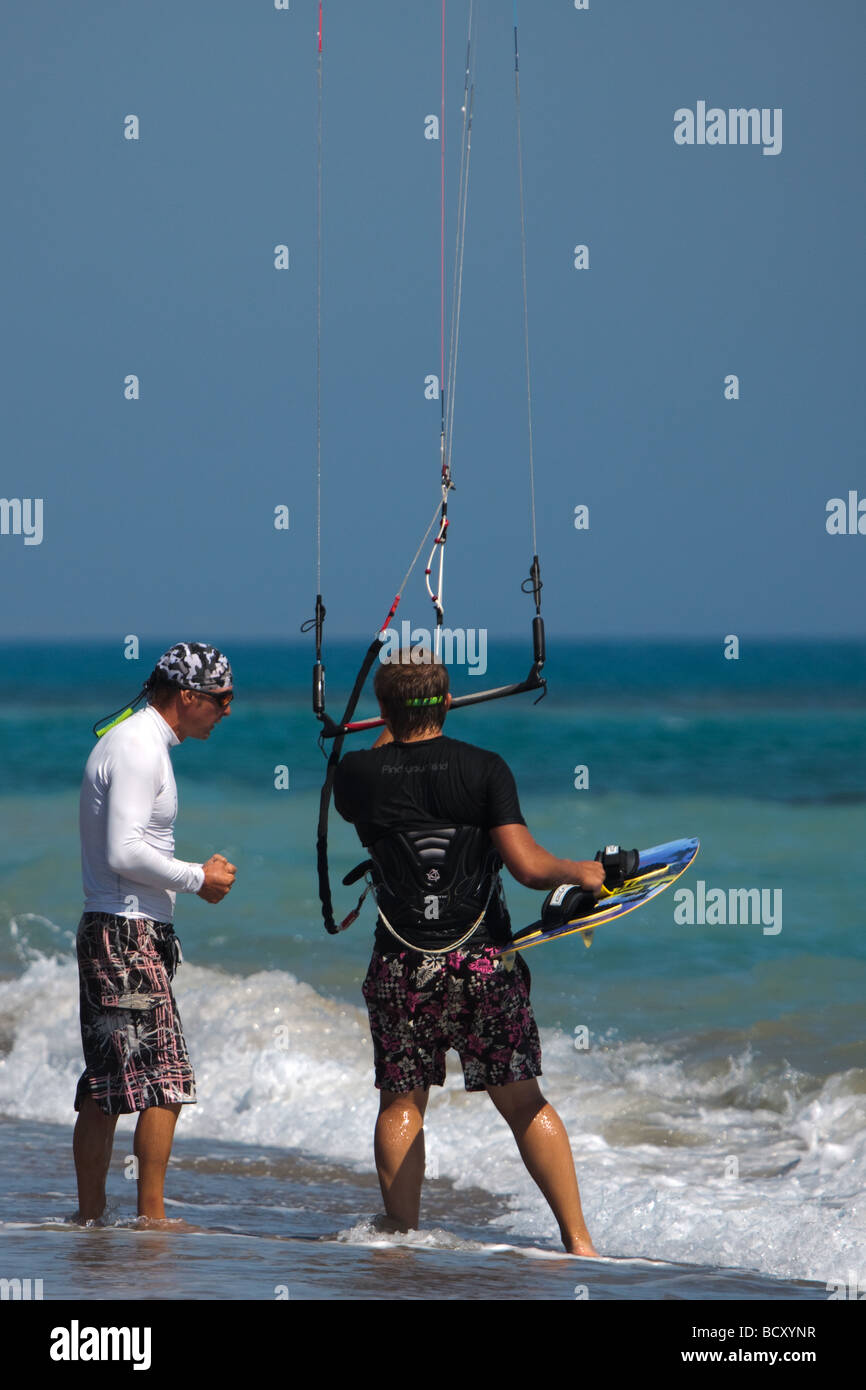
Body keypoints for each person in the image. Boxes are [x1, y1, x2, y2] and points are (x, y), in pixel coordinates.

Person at [333, 649, 604, 1256]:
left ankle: (402, 1237)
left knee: (402, 1101)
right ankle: (580, 1244)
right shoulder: (485, 769)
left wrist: (393, 719)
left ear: (382, 708)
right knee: (524, 1101)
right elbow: (531, 870)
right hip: (483, 964)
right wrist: (581, 872)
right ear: (450, 702)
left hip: (402, 965)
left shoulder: (354, 775)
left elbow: (382, 757)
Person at [73, 642, 237, 1224]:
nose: (227, 710)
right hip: (125, 932)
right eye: (221, 699)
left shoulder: (136, 741)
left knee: (106, 1085)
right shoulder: (140, 747)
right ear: (188, 696)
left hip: (115, 930)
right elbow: (124, 851)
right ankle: (152, 1219)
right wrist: (200, 877)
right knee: (165, 1081)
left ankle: (91, 1218)